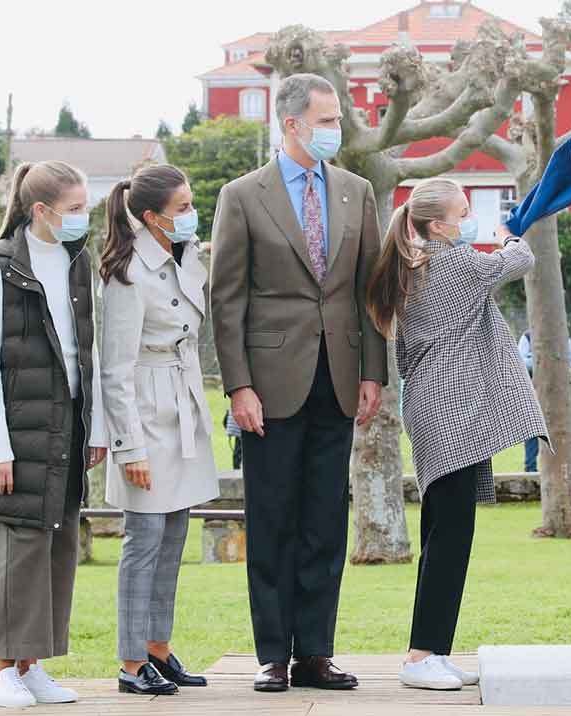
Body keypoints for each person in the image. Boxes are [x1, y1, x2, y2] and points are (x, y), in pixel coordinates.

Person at [210, 72, 387, 693]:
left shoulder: (356, 191)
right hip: (269, 384)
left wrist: (373, 371)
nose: (337, 128)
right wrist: (238, 386)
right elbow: (225, 298)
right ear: (292, 124)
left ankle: (316, 651)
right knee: (272, 517)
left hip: (338, 377)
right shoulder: (242, 195)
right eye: (328, 118)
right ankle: (273, 655)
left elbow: (372, 287)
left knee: (324, 521)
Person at [365, 177, 549, 691]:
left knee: (443, 534)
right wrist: (512, 232)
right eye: (462, 212)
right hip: (452, 411)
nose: (468, 221)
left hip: (438, 409)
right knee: (450, 537)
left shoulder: (415, 265)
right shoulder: (451, 262)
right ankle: (421, 654)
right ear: (437, 223)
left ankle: (432, 651)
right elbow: (517, 261)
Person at [0, 160, 108, 708]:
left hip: (66, 423)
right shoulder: (3, 268)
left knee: (58, 546)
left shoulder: (75, 260)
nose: (83, 219)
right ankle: (2, 669)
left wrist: (94, 427)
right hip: (17, 431)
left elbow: (82, 353)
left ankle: (33, 664)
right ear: (42, 211)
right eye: (74, 210)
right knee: (20, 550)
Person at [100, 164, 220, 696]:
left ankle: (158, 648)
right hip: (146, 410)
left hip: (183, 405)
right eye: (183, 208)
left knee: (174, 534)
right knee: (143, 538)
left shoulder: (184, 257)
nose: (192, 215)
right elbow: (115, 368)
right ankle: (130, 664)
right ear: (151, 217)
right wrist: (129, 446)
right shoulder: (125, 271)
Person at [517, 329, 571, 473]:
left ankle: (557, 470)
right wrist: (545, 359)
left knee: (557, 432)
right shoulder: (527, 337)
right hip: (533, 393)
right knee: (532, 432)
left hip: (557, 395)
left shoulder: (562, 336)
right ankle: (530, 469)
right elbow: (520, 361)